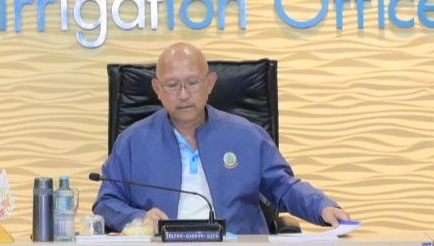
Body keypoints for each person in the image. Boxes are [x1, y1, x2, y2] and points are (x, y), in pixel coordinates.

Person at [91, 42, 350, 235]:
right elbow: (106, 203)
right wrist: (139, 218)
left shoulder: (247, 135)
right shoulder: (133, 142)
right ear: (157, 89)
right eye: (172, 85)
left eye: (193, 83)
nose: (183, 94)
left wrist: (323, 208)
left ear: (210, 83)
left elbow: (284, 187)